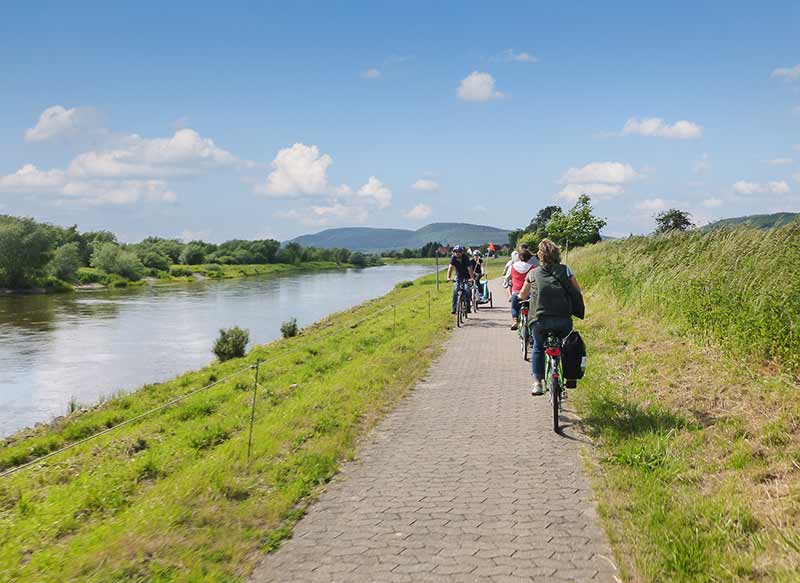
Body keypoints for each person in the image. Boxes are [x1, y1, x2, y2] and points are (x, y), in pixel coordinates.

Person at [518, 238, 584, 396]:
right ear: (557, 254)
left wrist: (522, 298)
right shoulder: (566, 270)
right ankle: (569, 377)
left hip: (540, 320)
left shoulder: (533, 273)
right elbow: (578, 291)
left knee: (538, 348)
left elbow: (523, 294)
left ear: (539, 256)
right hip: (563, 320)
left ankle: (538, 383)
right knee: (565, 347)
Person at [507, 249, 536, 330]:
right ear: (529, 258)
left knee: (514, 307)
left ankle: (515, 320)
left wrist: (506, 284)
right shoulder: (533, 268)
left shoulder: (512, 267)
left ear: (519, 257)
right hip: (529, 293)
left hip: (516, 292)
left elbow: (507, 278)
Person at [446, 245, 474, 314]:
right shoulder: (453, 258)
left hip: (467, 276)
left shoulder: (465, 258)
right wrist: (448, 278)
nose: (457, 253)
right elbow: (450, 268)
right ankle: (454, 308)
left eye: (459, 252)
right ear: (453, 252)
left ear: (462, 252)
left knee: (467, 289)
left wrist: (472, 278)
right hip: (458, 276)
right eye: (455, 252)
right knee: (456, 289)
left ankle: (467, 306)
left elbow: (469, 269)